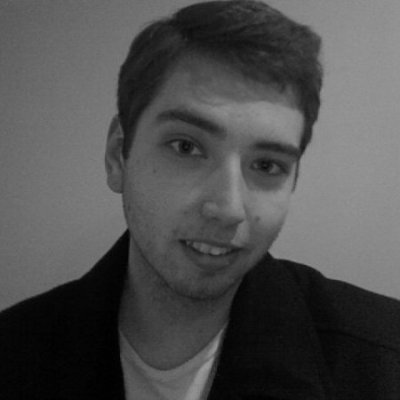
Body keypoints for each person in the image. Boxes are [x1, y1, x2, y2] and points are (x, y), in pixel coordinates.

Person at [1, 0, 400, 399]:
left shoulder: (383, 362)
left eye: (267, 165)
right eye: (186, 147)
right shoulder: (14, 356)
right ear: (117, 155)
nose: (228, 209)